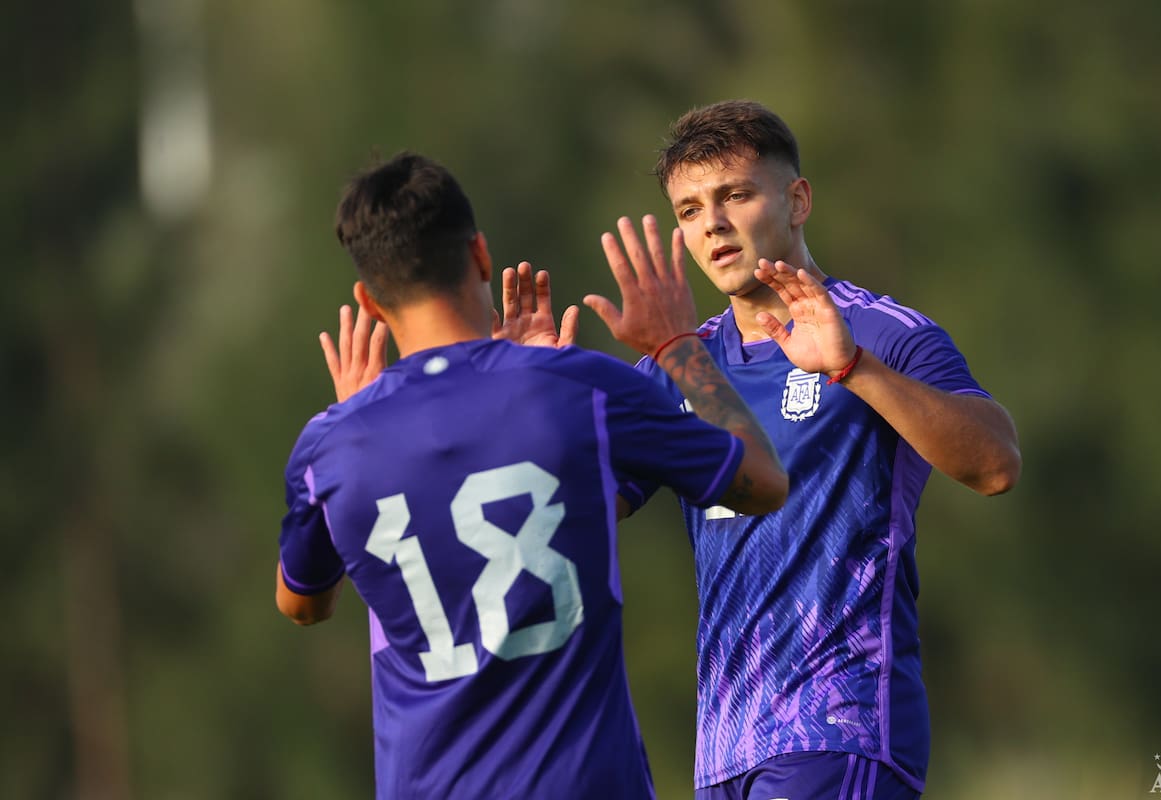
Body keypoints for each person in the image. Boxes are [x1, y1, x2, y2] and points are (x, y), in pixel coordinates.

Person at [273, 151, 788, 799]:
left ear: (369, 303)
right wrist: (677, 347)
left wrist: (358, 422)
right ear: (481, 256)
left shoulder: (331, 447)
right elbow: (763, 481)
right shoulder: (581, 393)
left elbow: (303, 603)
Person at [614, 100, 1023, 799]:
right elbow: (583, 506)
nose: (711, 223)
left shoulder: (880, 331)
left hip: (840, 724)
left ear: (797, 200)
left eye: (735, 195)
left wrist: (852, 368)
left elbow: (995, 463)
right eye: (688, 210)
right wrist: (543, 395)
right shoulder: (682, 364)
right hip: (724, 749)